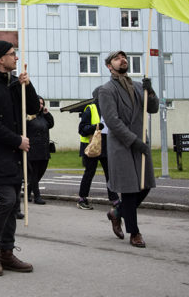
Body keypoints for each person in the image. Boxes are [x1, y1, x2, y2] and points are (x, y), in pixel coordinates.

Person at [0, 40, 39, 276]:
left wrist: (27, 85)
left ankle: (7, 253)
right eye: (13, 54)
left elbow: (32, 107)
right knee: (7, 199)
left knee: (13, 204)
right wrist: (17, 140)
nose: (16, 58)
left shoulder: (12, 84)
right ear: (1, 59)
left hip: (15, 154)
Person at [98, 50, 158, 248]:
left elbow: (153, 108)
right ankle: (135, 232)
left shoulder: (139, 87)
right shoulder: (106, 90)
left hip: (140, 142)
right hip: (122, 145)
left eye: (124, 57)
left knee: (146, 185)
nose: (122, 60)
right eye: (117, 58)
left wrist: (152, 92)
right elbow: (113, 121)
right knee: (130, 190)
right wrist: (133, 141)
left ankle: (116, 212)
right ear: (109, 66)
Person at [77, 87, 119, 210]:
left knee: (109, 173)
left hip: (106, 146)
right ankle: (82, 199)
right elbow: (81, 129)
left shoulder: (109, 108)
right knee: (89, 172)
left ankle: (114, 199)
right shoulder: (90, 109)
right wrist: (95, 127)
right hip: (92, 147)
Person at [26, 96, 54, 205]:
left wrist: (47, 114)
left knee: (41, 172)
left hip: (44, 149)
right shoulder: (28, 116)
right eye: (38, 103)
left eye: (42, 103)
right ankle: (37, 196)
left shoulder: (43, 117)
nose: (40, 105)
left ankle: (28, 191)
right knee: (34, 174)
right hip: (33, 150)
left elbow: (51, 124)